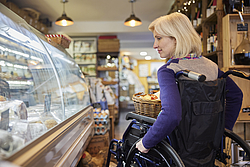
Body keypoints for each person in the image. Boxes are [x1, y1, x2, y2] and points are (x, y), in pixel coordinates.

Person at [136, 12, 243, 165]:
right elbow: (236, 96)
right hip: (207, 149)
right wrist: (222, 131)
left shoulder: (169, 70)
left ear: (176, 38)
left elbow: (171, 115)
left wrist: (145, 143)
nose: (155, 45)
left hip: (178, 150)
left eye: (158, 38)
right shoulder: (211, 66)